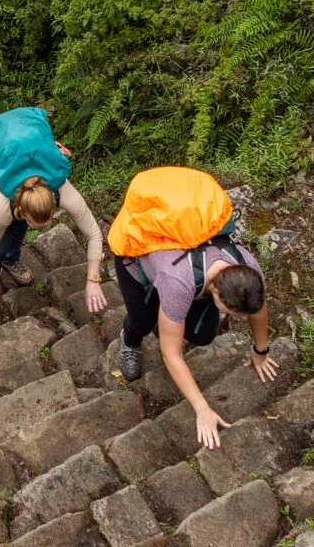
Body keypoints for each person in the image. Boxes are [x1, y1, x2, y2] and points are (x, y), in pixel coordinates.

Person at [108, 166, 278, 449]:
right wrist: (202, 408)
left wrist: (261, 351)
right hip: (137, 262)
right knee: (142, 320)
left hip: (183, 276)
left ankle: (168, 321)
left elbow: (258, 309)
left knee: (201, 335)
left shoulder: (249, 269)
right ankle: (130, 338)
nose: (229, 317)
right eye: (229, 313)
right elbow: (171, 355)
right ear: (217, 294)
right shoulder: (179, 282)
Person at [0, 107, 107, 317]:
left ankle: (10, 260)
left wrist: (93, 280)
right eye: (36, 225)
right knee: (3, 238)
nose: (41, 230)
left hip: (26, 142)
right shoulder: (2, 204)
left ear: (53, 200)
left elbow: (94, 233)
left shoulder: (62, 189)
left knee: (17, 229)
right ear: (20, 208)